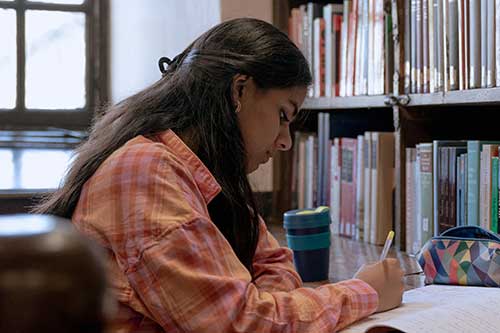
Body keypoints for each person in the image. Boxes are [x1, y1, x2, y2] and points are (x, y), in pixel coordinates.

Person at [36, 17, 404, 332]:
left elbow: (273, 265)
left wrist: (266, 305)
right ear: (239, 90)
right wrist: (363, 292)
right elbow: (238, 325)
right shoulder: (144, 173)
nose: (285, 142)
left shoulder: (204, 174)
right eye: (282, 116)